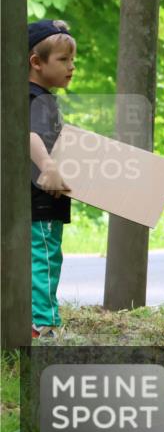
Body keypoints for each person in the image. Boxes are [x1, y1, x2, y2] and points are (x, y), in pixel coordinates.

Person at [27, 19, 77, 339]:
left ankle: (43, 317)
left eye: (73, 60)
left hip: (45, 201)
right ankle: (41, 324)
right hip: (40, 201)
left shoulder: (42, 97)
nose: (71, 67)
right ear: (36, 62)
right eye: (63, 60)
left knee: (45, 258)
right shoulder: (33, 98)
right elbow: (27, 133)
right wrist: (47, 165)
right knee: (43, 259)